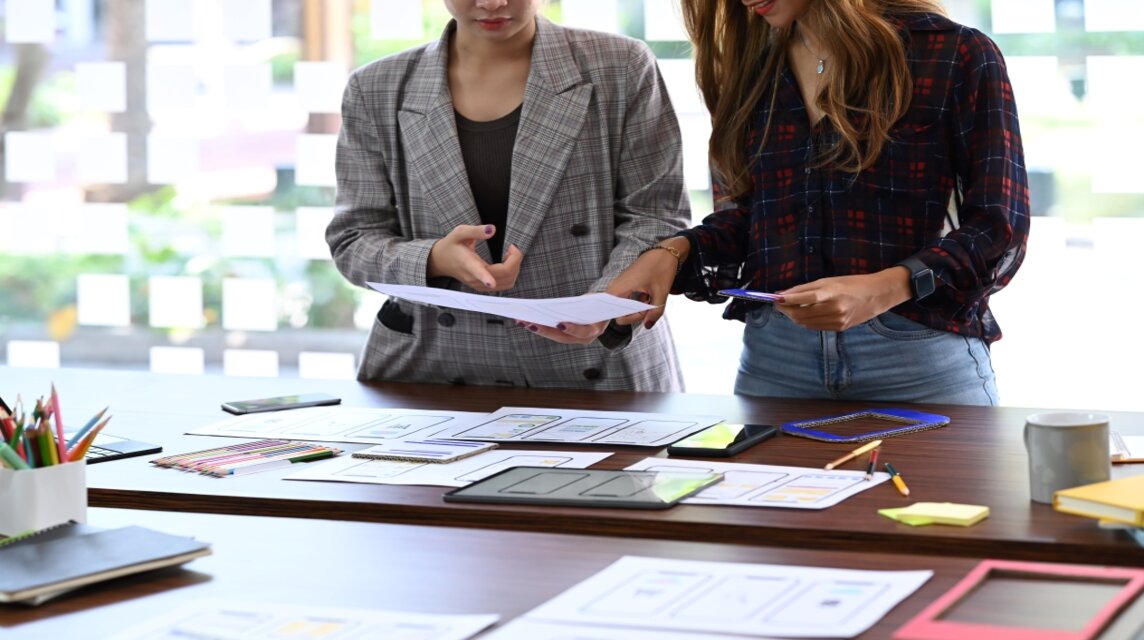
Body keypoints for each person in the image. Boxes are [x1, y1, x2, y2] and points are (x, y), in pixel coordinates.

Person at [608, 0, 1030, 404]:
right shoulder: (751, 72)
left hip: (919, 363)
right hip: (774, 366)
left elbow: (998, 227)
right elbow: (753, 222)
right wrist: (671, 255)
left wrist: (886, 287)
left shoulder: (955, 53)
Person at [327, 0, 689, 390]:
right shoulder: (376, 87)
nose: (492, 3)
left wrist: (603, 304)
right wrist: (433, 259)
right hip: (432, 369)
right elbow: (353, 240)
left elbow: (656, 216)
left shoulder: (620, 66)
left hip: (597, 363)